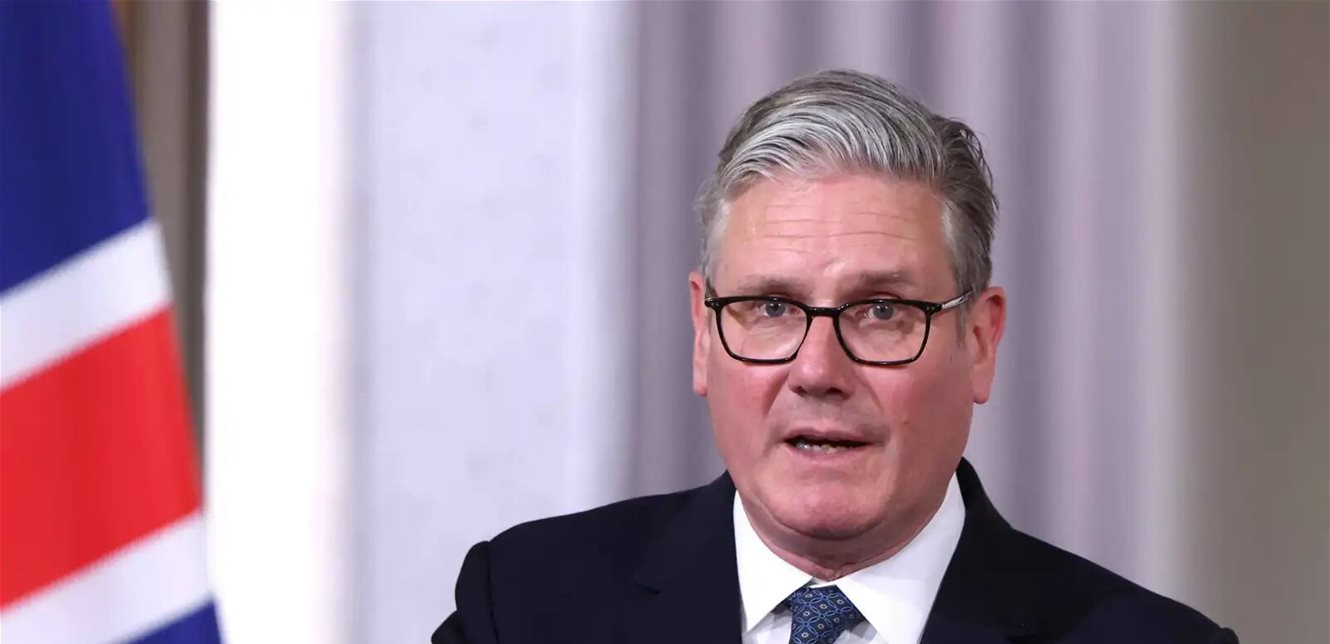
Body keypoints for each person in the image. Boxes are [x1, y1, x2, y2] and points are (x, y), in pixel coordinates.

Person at [432, 70, 1238, 644]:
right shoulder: (525, 608)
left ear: (979, 341)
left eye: (882, 311)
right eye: (770, 308)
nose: (818, 372)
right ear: (704, 335)